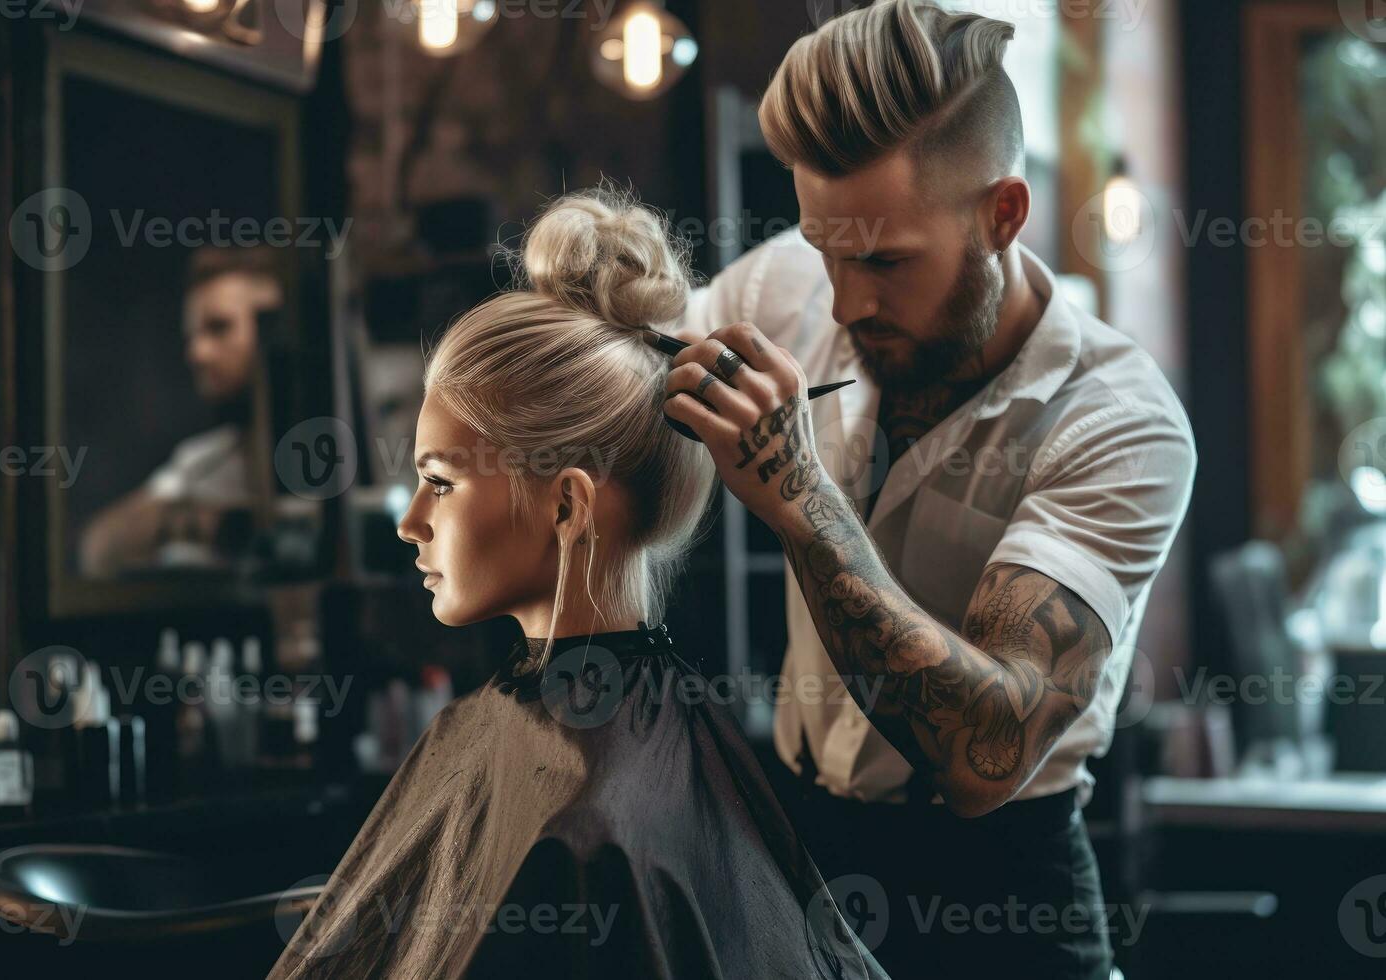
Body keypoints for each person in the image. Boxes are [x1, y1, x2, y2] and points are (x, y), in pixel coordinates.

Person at [664, 2, 1197, 976]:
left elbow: (983, 750)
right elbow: (637, 365)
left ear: (1002, 214)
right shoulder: (795, 283)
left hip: (1000, 891)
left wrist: (803, 502)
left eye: (883, 261)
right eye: (826, 248)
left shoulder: (1120, 419)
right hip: (802, 855)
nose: (843, 301)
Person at [268, 189, 887, 980]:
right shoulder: (619, 750)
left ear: (566, 504)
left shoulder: (587, 831)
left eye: (442, 483)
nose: (410, 522)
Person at [79, 246, 282, 575]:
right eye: (192, 335)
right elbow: (99, 548)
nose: (197, 353)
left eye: (219, 328)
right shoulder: (200, 464)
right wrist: (202, 523)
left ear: (275, 327)